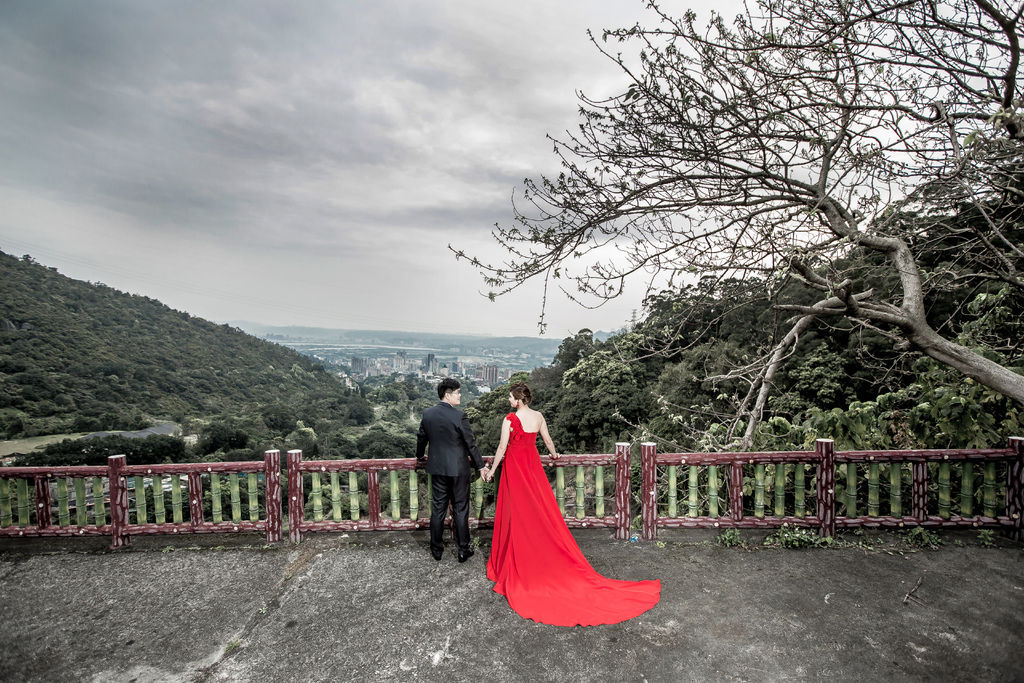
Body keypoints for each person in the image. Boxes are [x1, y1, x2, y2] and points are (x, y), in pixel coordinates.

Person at [483, 381, 661, 626]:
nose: (509, 401)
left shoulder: (510, 419)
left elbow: (503, 447)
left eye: (511, 398)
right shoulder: (538, 416)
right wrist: (555, 455)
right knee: (538, 512)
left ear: (518, 400)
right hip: (532, 468)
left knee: (517, 513)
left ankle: (518, 557)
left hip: (514, 468)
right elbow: (548, 442)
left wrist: (492, 470)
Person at [416, 377, 488, 562]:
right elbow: (470, 444)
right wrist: (481, 466)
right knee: (460, 509)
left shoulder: (428, 414)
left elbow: (421, 438)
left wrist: (419, 457)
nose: (460, 395)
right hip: (458, 469)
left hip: (437, 467)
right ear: (447, 395)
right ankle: (463, 550)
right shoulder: (459, 416)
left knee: (438, 509)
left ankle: (436, 550)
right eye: (457, 392)